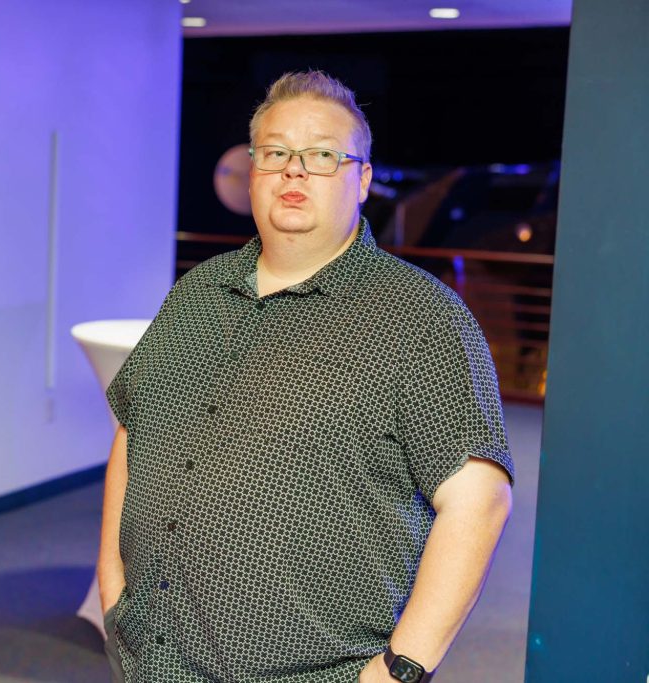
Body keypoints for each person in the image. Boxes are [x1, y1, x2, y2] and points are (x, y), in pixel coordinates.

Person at [97, 71, 514, 683]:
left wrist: (401, 668)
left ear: (362, 179)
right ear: (253, 171)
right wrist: (112, 591)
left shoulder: (419, 319)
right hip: (150, 662)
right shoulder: (196, 293)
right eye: (275, 152)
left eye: (322, 155)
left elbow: (479, 501)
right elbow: (135, 430)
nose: (294, 171)